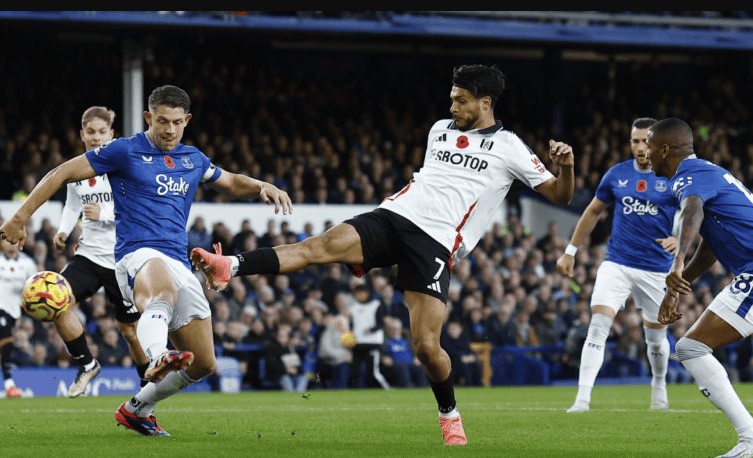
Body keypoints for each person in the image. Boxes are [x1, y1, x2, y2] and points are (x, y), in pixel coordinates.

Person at [191, 64, 576, 446]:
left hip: (435, 242)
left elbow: (560, 196)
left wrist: (568, 168)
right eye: (452, 99)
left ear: (486, 102)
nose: (453, 107)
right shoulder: (439, 131)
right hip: (394, 215)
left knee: (426, 347)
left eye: (461, 101)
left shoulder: (509, 146)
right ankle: (231, 265)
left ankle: (449, 415)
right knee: (318, 247)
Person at [0, 85, 291, 436]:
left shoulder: (192, 158)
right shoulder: (123, 150)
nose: (169, 130)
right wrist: (20, 217)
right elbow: (60, 173)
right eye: (162, 121)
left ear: (187, 121)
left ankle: (137, 409)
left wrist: (259, 186)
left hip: (179, 261)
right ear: (149, 117)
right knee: (160, 290)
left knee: (204, 364)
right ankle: (155, 355)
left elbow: (229, 181)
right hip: (137, 254)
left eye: (177, 123)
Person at [557, 117, 680, 413]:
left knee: (655, 340)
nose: (640, 147)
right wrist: (570, 251)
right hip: (618, 263)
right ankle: (582, 399)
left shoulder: (674, 177)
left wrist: (679, 240)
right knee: (598, 326)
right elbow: (593, 211)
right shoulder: (616, 175)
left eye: (645, 141)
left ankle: (659, 384)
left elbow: (693, 213)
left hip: (656, 269)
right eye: (635, 141)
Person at [648, 117, 753, 458]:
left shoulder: (689, 178)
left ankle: (750, 441)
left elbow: (690, 211)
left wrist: (677, 261)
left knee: (691, 348)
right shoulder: (710, 174)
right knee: (691, 347)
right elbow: (710, 249)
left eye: (649, 147)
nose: (645, 155)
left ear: (665, 149)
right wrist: (678, 287)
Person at [51, 106, 148, 398]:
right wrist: (63, 230)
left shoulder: (124, 166)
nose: (96, 137)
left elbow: (138, 207)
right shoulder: (77, 170)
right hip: (89, 256)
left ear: (112, 134)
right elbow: (72, 205)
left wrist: (103, 212)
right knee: (56, 300)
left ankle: (149, 387)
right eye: (90, 132)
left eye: (101, 132)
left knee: (130, 332)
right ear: (82, 135)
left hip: (122, 259)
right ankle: (87, 363)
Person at [0, 239, 38, 397]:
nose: (11, 244)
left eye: (15, 241)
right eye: (8, 241)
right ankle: (9, 385)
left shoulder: (28, 263)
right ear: (2, 244)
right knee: (7, 343)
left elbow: (35, 284)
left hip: (15, 311)